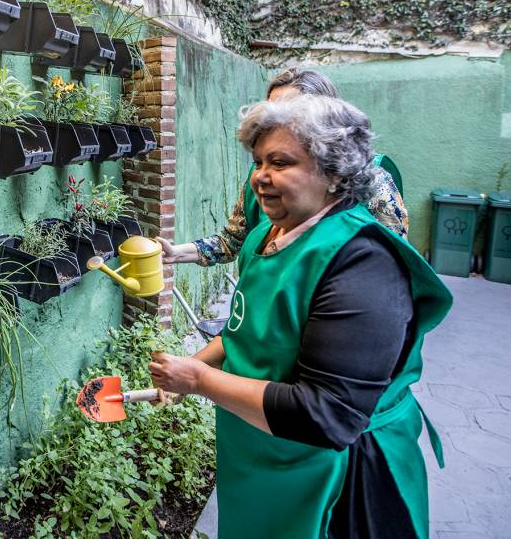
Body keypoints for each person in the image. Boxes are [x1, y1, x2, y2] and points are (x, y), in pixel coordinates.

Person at [150, 96, 451, 539]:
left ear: (334, 173)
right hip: (264, 456)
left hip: (338, 479)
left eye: (280, 162)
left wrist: (198, 381)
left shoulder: (363, 264)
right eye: (257, 162)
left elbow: (327, 414)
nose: (260, 178)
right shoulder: (265, 236)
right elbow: (243, 330)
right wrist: (195, 364)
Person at [159, 68, 408, 268]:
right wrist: (175, 253)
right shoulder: (259, 179)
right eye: (270, 109)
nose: (275, 120)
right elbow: (232, 240)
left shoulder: (369, 180)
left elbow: (393, 263)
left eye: (291, 109)